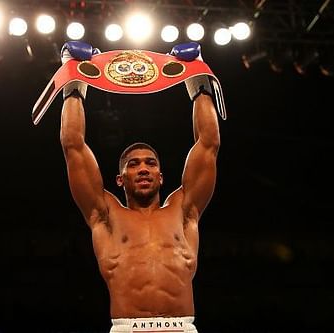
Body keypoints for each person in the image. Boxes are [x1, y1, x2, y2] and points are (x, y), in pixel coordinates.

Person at [59, 41, 221, 333]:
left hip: (183, 328)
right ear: (120, 179)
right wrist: (73, 80)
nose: (143, 168)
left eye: (150, 163)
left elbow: (208, 144)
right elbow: (73, 146)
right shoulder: (105, 215)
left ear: (161, 176)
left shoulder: (184, 211)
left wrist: (198, 79)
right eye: (133, 165)